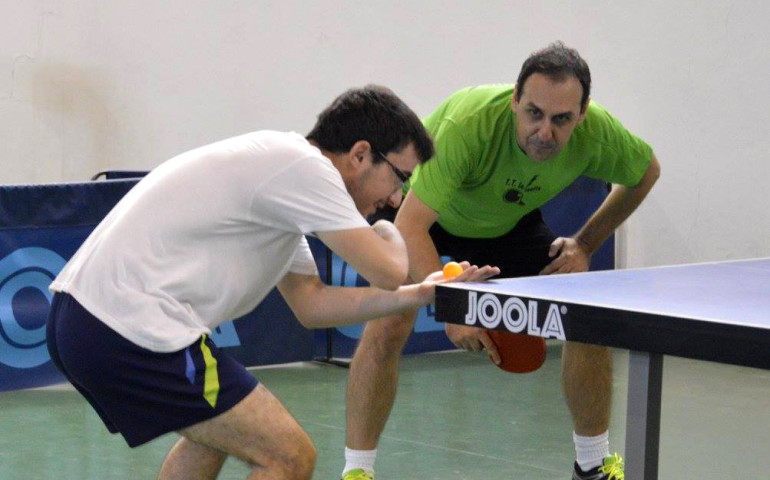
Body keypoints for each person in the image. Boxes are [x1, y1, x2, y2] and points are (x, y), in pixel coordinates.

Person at [45, 85, 500, 480]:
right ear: (360, 155)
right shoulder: (305, 168)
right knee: (289, 456)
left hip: (83, 318)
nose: (397, 195)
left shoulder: (284, 186)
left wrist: (421, 294)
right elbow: (386, 269)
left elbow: (312, 304)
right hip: (128, 325)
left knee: (216, 435)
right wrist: (390, 229)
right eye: (399, 177)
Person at [342, 43, 661, 480]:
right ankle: (357, 471)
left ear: (582, 115)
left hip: (505, 223)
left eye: (561, 119)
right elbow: (411, 226)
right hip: (420, 214)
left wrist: (585, 244)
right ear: (515, 100)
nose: (544, 132)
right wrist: (452, 307)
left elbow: (646, 173)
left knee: (586, 317)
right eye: (533, 113)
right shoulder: (468, 124)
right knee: (390, 319)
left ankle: (592, 465)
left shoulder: (599, 136)